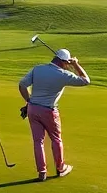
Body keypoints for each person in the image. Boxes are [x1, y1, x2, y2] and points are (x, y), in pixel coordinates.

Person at [18, 48, 90, 181]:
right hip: (49, 111)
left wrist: (29, 101)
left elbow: (22, 85)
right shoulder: (63, 74)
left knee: (38, 141)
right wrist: (76, 64)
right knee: (56, 139)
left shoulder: (38, 68)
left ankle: (42, 172)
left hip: (33, 109)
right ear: (64, 62)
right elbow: (86, 80)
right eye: (67, 63)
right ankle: (60, 168)